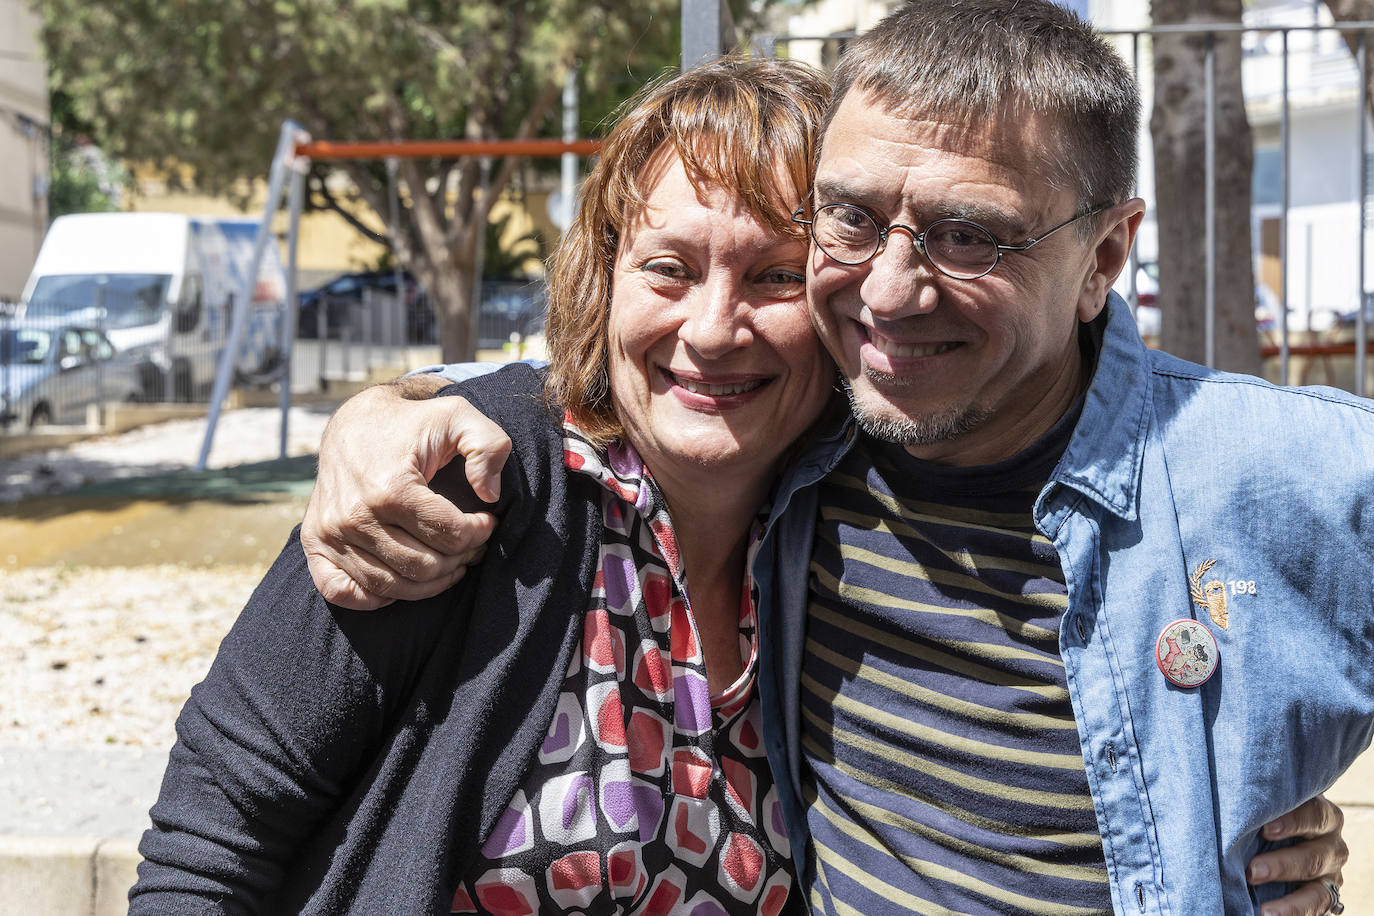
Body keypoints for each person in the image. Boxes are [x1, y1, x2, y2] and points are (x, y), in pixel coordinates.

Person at [302, 2, 1368, 915]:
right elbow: (652, 363)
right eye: (851, 219)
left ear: (1103, 257)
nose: (891, 294)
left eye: (968, 236)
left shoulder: (1270, 472)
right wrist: (391, 411)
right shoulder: (817, 430)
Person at [131, 56, 836, 913]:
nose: (715, 329)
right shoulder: (464, 482)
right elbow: (213, 834)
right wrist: (388, 406)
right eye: (669, 269)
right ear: (605, 280)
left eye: (776, 276)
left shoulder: (844, 536)